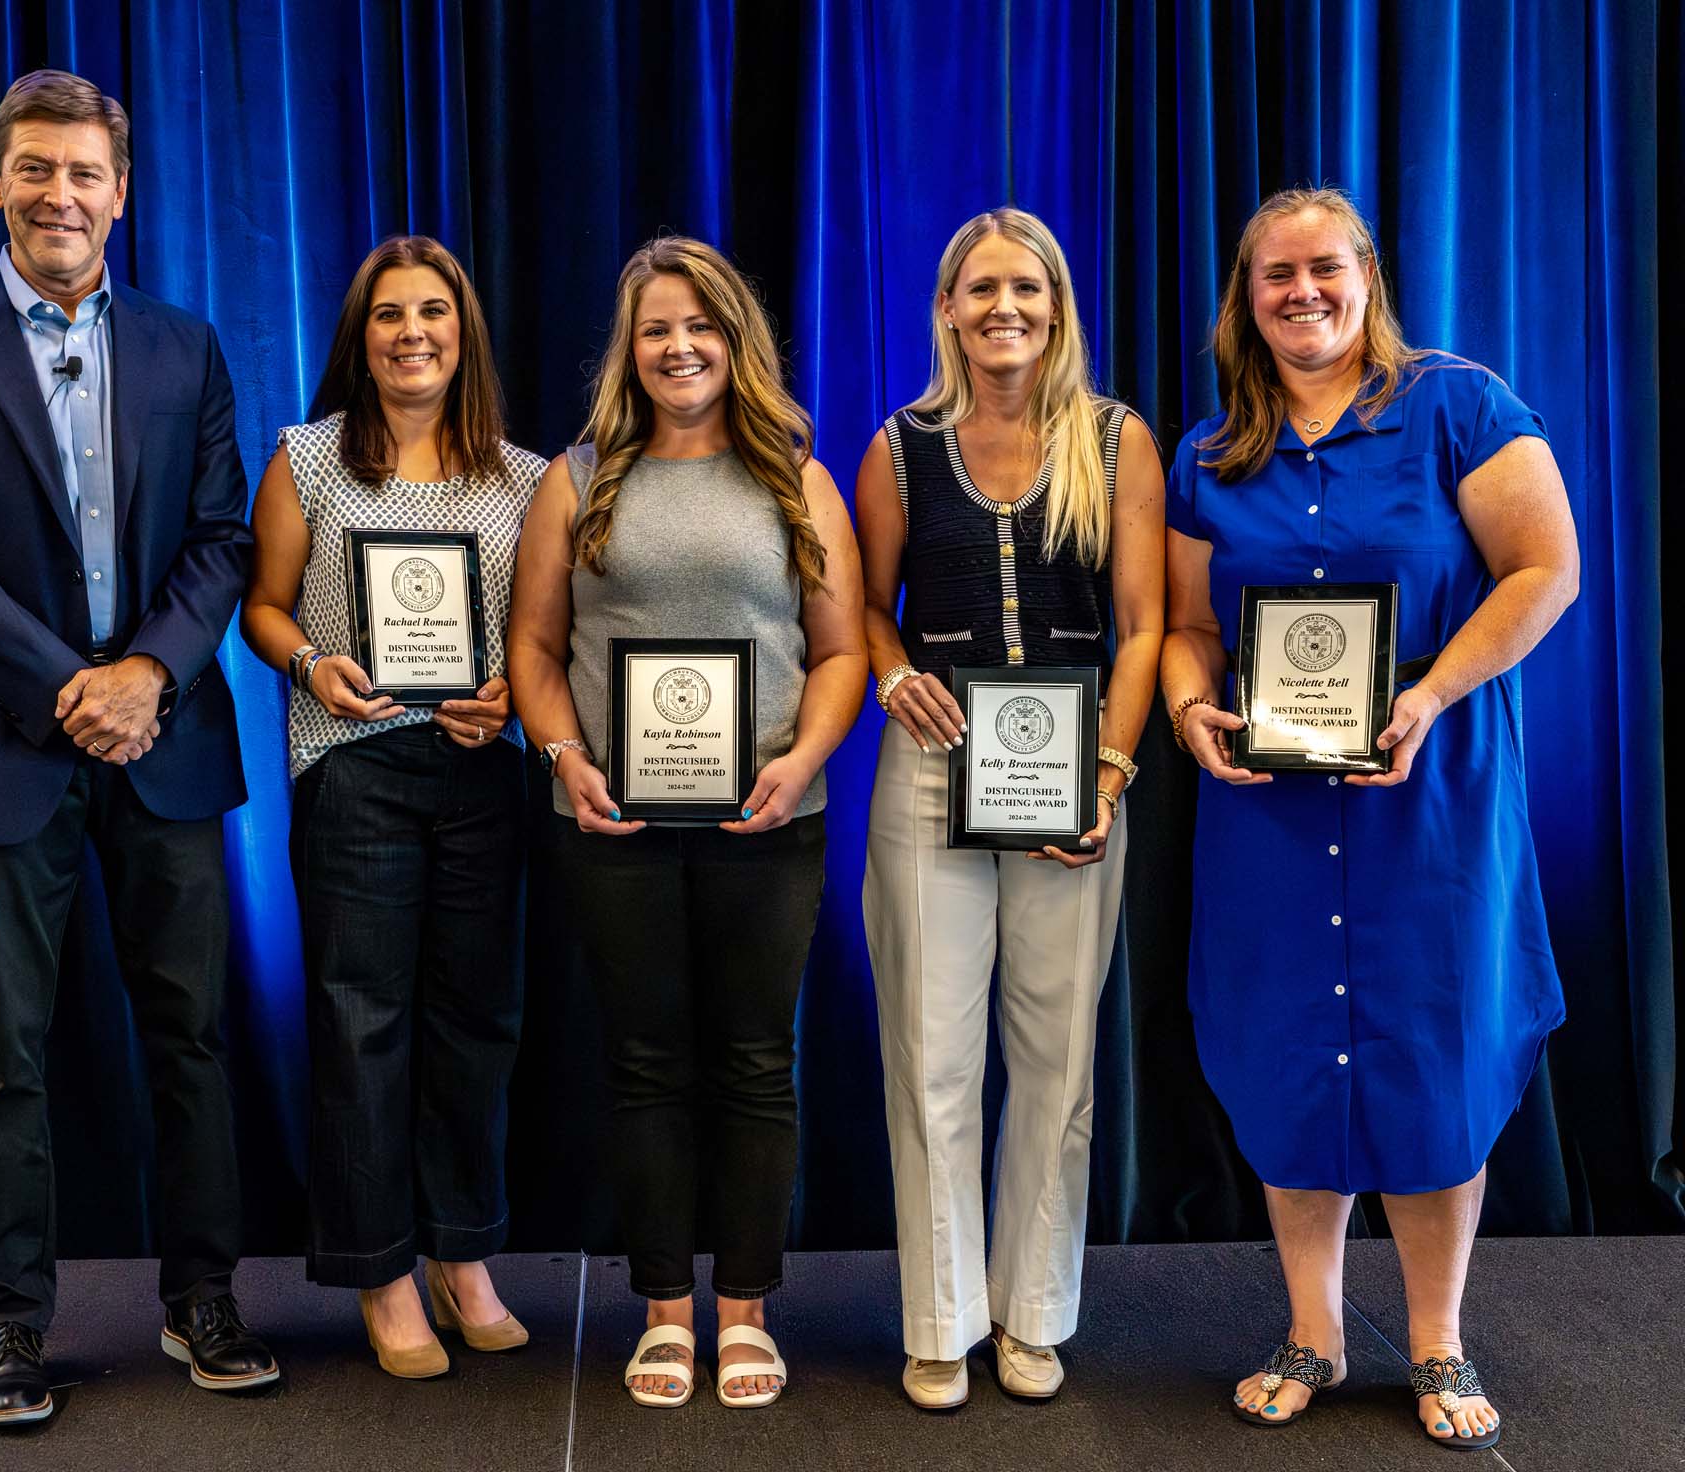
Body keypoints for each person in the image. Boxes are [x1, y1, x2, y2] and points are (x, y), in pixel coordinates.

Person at [0, 69, 277, 1427]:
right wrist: (72, 689)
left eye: (85, 172)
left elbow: (223, 537)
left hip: (164, 734)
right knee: (3, 1052)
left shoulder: (184, 346)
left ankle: (202, 1299)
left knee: (192, 1039)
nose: (60, 194)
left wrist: (147, 672)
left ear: (121, 190)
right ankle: (8, 1328)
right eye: (36, 169)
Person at [1161, 187, 1578, 1451]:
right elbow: (1186, 628)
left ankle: (1439, 1336)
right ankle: (1315, 1327)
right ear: (1247, 295)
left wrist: (1431, 691)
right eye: (1275, 275)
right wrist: (1189, 709)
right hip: (1269, 823)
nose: (1303, 293)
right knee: (1291, 1054)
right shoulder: (1211, 451)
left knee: (1432, 1059)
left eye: (1324, 268)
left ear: (1366, 273)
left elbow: (1545, 568)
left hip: (1429, 803)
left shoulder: (1458, 403)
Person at [507, 236, 865, 1409]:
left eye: (701, 326)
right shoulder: (578, 474)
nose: (679, 347)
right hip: (614, 824)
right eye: (657, 328)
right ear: (631, 347)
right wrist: (565, 760)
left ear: (737, 342)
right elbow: (536, 647)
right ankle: (665, 1306)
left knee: (760, 1061)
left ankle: (748, 1305)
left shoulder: (797, 479)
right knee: (646, 1061)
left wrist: (803, 760)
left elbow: (843, 651)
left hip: (772, 819)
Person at [854, 208, 1164, 1409]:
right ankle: (941, 1319)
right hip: (931, 772)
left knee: (1057, 1060)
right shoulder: (901, 444)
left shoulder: (1115, 439)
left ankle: (1032, 1313)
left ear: (1057, 304)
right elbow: (869, 612)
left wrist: (1109, 772)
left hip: (1076, 769)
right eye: (981, 290)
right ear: (947, 308)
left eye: (1027, 290)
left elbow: (1142, 629)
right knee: (929, 1054)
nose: (1005, 310)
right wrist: (890, 672)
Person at [240, 235, 541, 1378]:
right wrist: (313, 663)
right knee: (364, 1019)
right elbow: (265, 607)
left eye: (433, 312)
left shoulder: (523, 474)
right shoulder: (307, 459)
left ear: (464, 333)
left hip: (479, 773)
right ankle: (380, 1271)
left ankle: (465, 1256)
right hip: (353, 762)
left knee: (478, 1021)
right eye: (387, 315)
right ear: (358, 336)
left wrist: (513, 690)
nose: (411, 332)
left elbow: (536, 637)